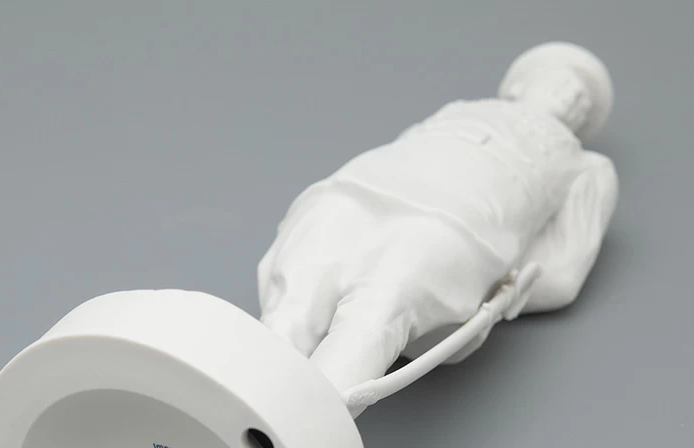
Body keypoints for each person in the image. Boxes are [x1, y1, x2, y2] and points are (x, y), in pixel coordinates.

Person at [258, 42, 619, 396]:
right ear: (519, 86)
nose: (572, 97)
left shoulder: (586, 166)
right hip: (359, 188)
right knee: (298, 295)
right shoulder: (458, 110)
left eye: (583, 101)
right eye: (560, 81)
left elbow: (562, 270)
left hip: (458, 225)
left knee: (378, 312)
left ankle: (307, 417)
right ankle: (246, 388)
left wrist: (504, 285)